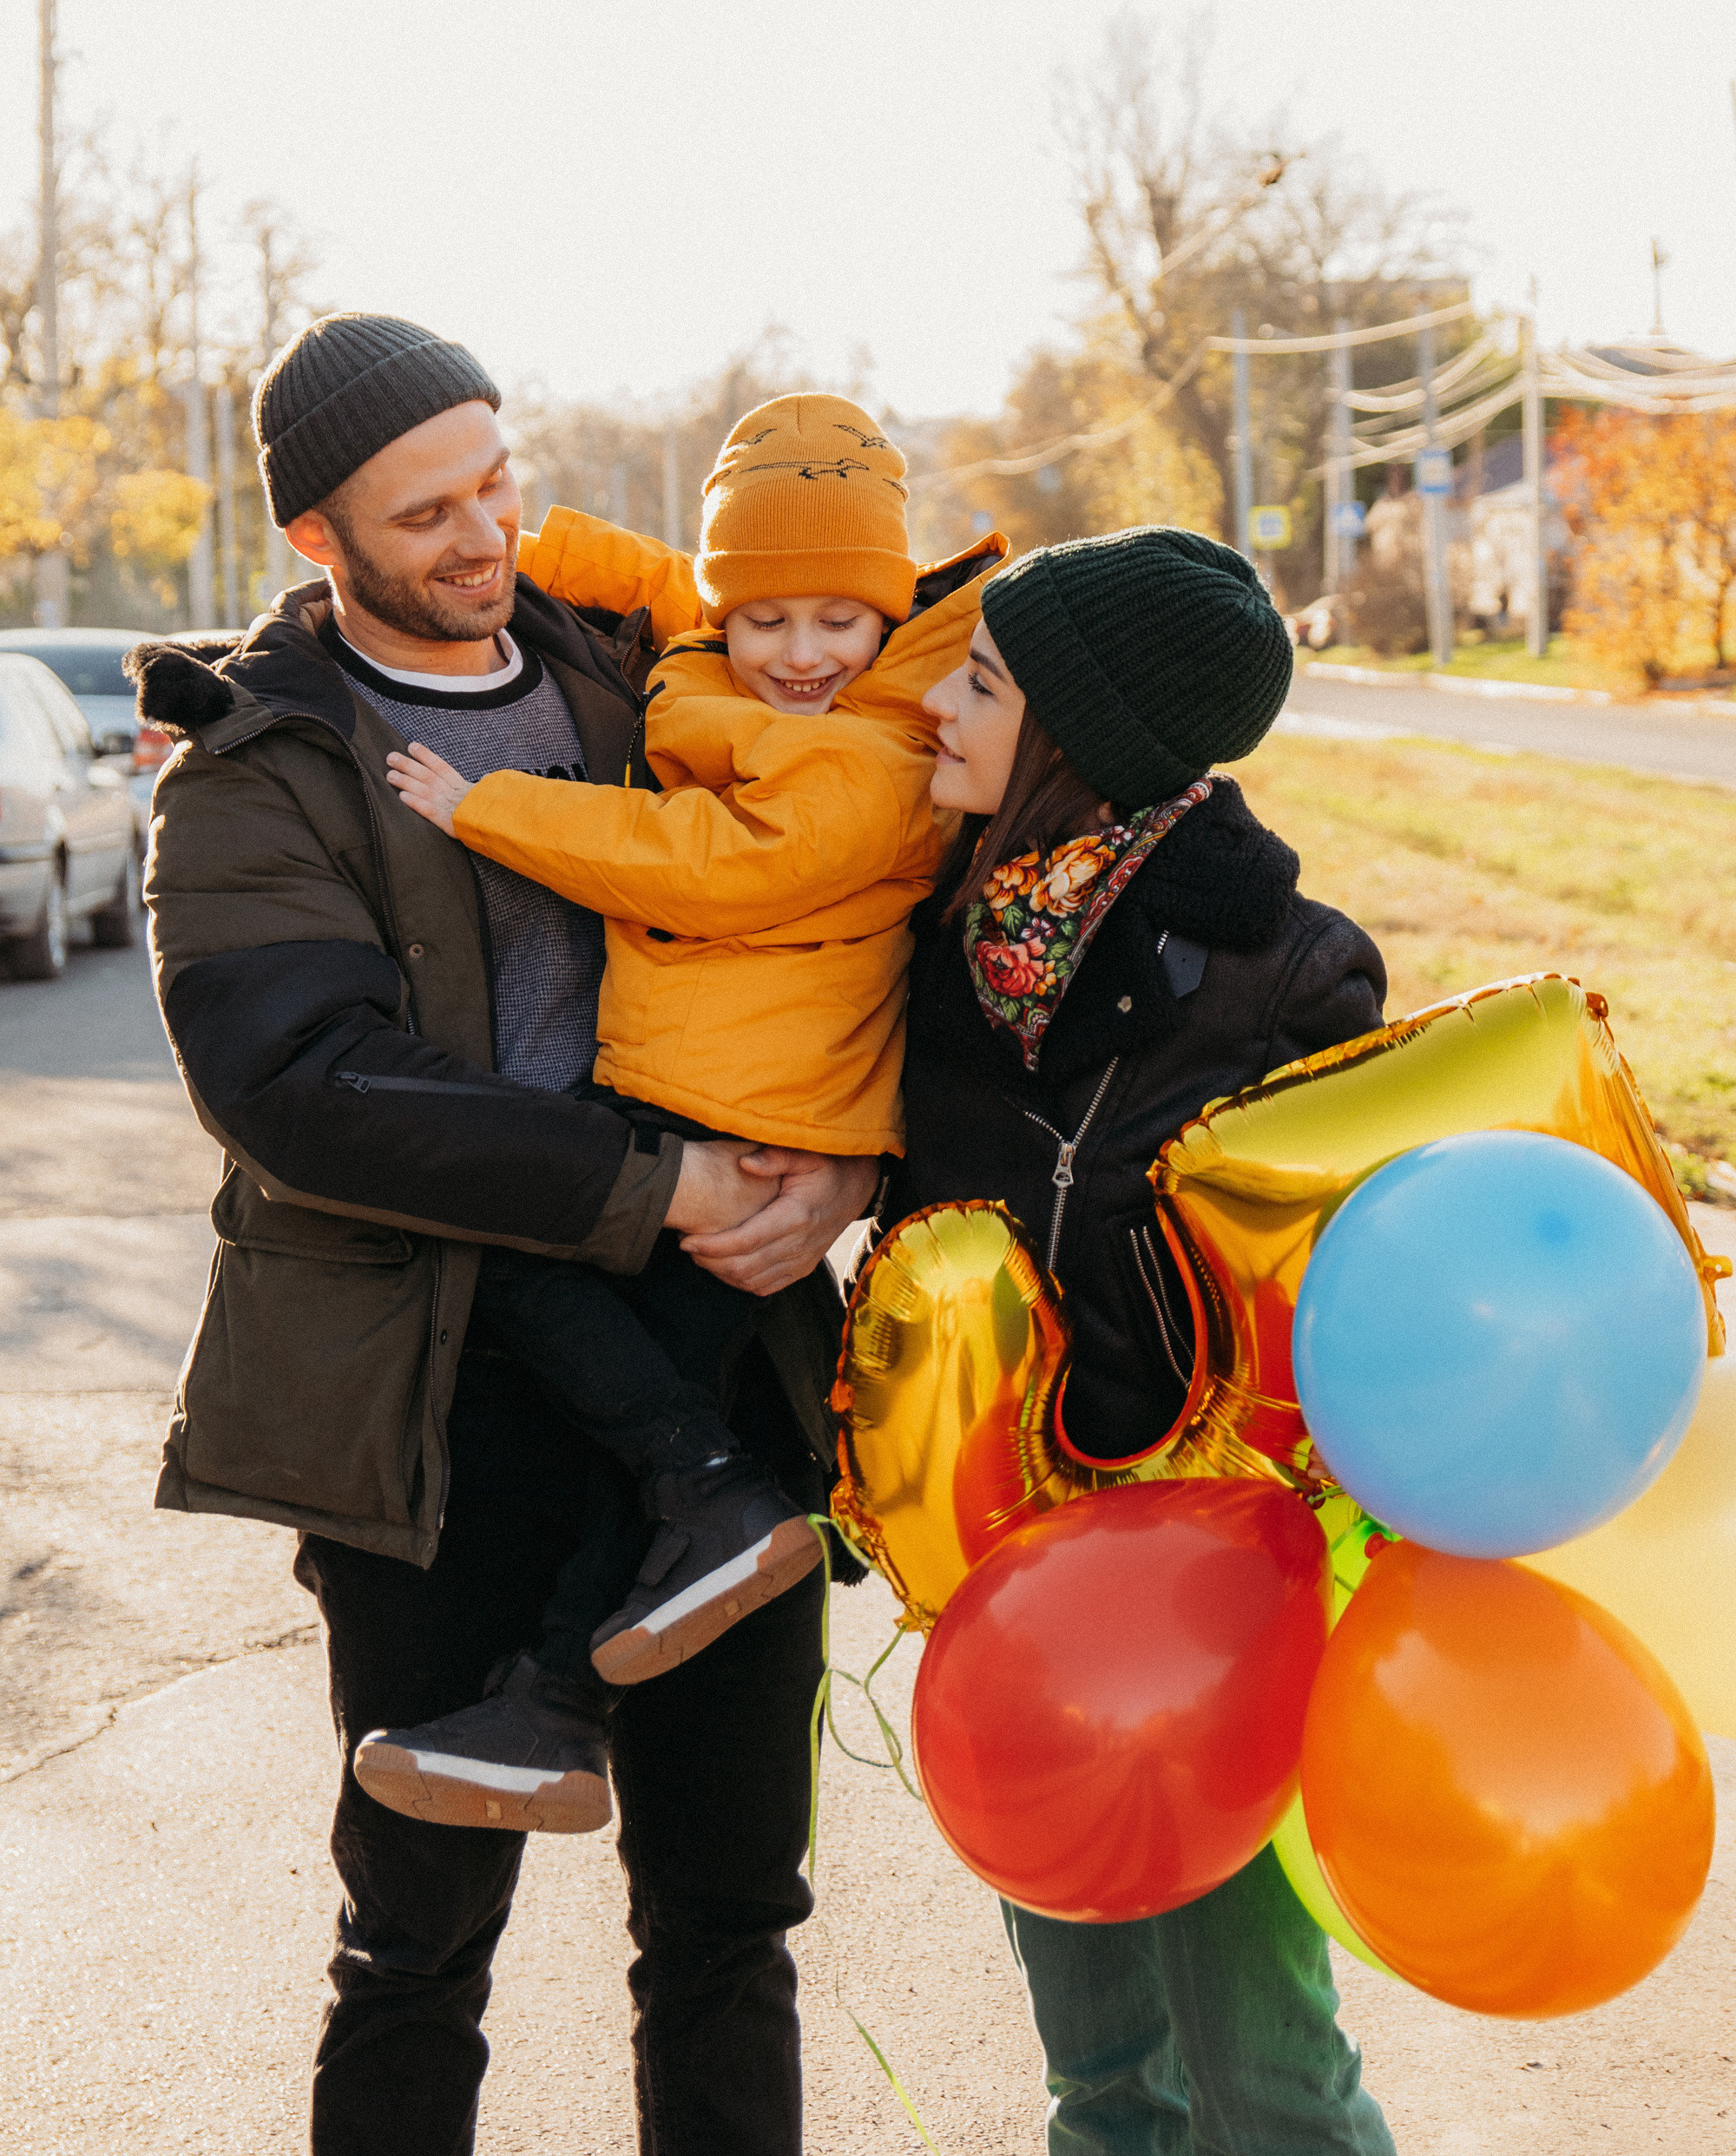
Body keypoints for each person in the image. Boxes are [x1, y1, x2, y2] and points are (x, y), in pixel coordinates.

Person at [134, 312, 878, 2156]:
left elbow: (865, 902)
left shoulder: (653, 681)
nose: (488, 539)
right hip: (438, 1413)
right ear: (319, 540)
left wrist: (839, 1171)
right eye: (427, 515)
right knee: (413, 1952)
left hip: (723, 1376)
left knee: (728, 1929)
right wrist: (656, 1186)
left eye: (499, 483)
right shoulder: (256, 767)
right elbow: (304, 1087)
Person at [359, 394, 1001, 1800]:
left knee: (541, 1275)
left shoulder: (874, 762)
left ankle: (613, 1624)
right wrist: (530, 539)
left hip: (753, 1121)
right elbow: (670, 586)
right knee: (643, 1443)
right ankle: (564, 1700)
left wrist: (490, 807)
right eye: (767, 620)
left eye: (841, 619)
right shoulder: (730, 642)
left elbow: (697, 858)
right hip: (695, 1089)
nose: (799, 655)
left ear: (890, 615)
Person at [881, 523, 1397, 2156]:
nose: (934, 709)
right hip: (1015, 1585)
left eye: (979, 682)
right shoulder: (937, 945)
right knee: (1103, 2086)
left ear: (1080, 738)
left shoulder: (1285, 973)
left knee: (1271, 2081)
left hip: (1213, 1594)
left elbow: (1342, 1295)